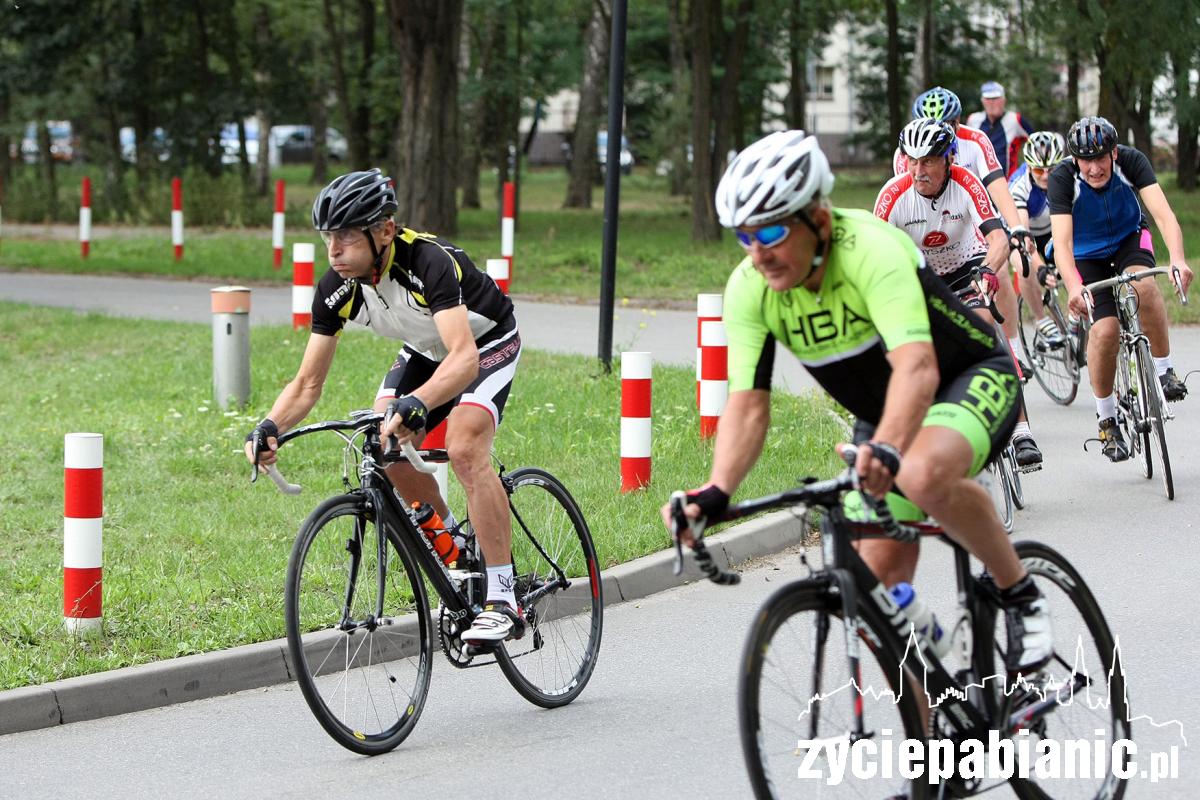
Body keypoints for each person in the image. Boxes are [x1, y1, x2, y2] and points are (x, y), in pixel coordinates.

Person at [664, 130, 1051, 677]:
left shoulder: (870, 248)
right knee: (880, 600)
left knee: (919, 473)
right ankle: (941, 735)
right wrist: (716, 490)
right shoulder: (751, 285)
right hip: (887, 412)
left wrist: (889, 448)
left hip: (965, 374)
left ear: (818, 219)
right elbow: (748, 405)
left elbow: (917, 367)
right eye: (744, 236)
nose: (758, 252)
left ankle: (1020, 593)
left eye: (772, 230)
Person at [244, 169, 526, 644]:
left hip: (484, 342)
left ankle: (504, 596)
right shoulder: (338, 286)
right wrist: (270, 425)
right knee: (383, 441)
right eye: (328, 238)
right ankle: (456, 549)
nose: (334, 251)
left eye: (347, 237)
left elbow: (463, 358)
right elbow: (308, 381)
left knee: (463, 445)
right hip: (425, 349)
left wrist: (420, 402)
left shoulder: (429, 262)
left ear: (385, 231)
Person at [876, 118, 1042, 467]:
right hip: (921, 277)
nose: (918, 171)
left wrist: (987, 272)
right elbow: (874, 257)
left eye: (929, 162)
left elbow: (998, 240)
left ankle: (1020, 431)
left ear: (949, 159)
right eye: (912, 161)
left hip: (969, 264)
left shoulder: (966, 183)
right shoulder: (893, 195)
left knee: (984, 328)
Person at [1049, 117, 1194, 460]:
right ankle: (1107, 419)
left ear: (1114, 153)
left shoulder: (1131, 161)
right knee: (1105, 331)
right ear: (1074, 159)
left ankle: (1164, 371)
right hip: (1085, 255)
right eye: (1086, 160)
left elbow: (1163, 215)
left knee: (1143, 287)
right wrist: (1073, 287)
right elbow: (1063, 243)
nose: (1095, 168)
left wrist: (1177, 258)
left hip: (1129, 237)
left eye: (1101, 158)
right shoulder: (1062, 178)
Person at [896, 87, 1035, 383]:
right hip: (935, 219)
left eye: (947, 126)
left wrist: (1017, 227)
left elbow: (997, 185)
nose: (937, 133)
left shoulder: (976, 141)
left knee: (997, 258)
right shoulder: (908, 153)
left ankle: (1013, 348)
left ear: (958, 124)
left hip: (975, 210)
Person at [1009, 131, 1068, 349]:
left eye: (1051, 170)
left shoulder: (1069, 176)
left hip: (1052, 229)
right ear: (1029, 167)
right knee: (1025, 266)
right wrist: (1041, 269)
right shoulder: (1019, 186)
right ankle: (1041, 320)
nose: (1045, 176)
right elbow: (1024, 238)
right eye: (1038, 170)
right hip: (1021, 232)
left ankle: (1072, 320)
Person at [966, 81, 1034, 178]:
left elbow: (1036, 140)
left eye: (995, 98)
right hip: (979, 184)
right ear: (982, 101)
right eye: (988, 98)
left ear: (1004, 100)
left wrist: (1027, 170)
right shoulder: (973, 120)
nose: (992, 102)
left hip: (1008, 183)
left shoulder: (1014, 120)